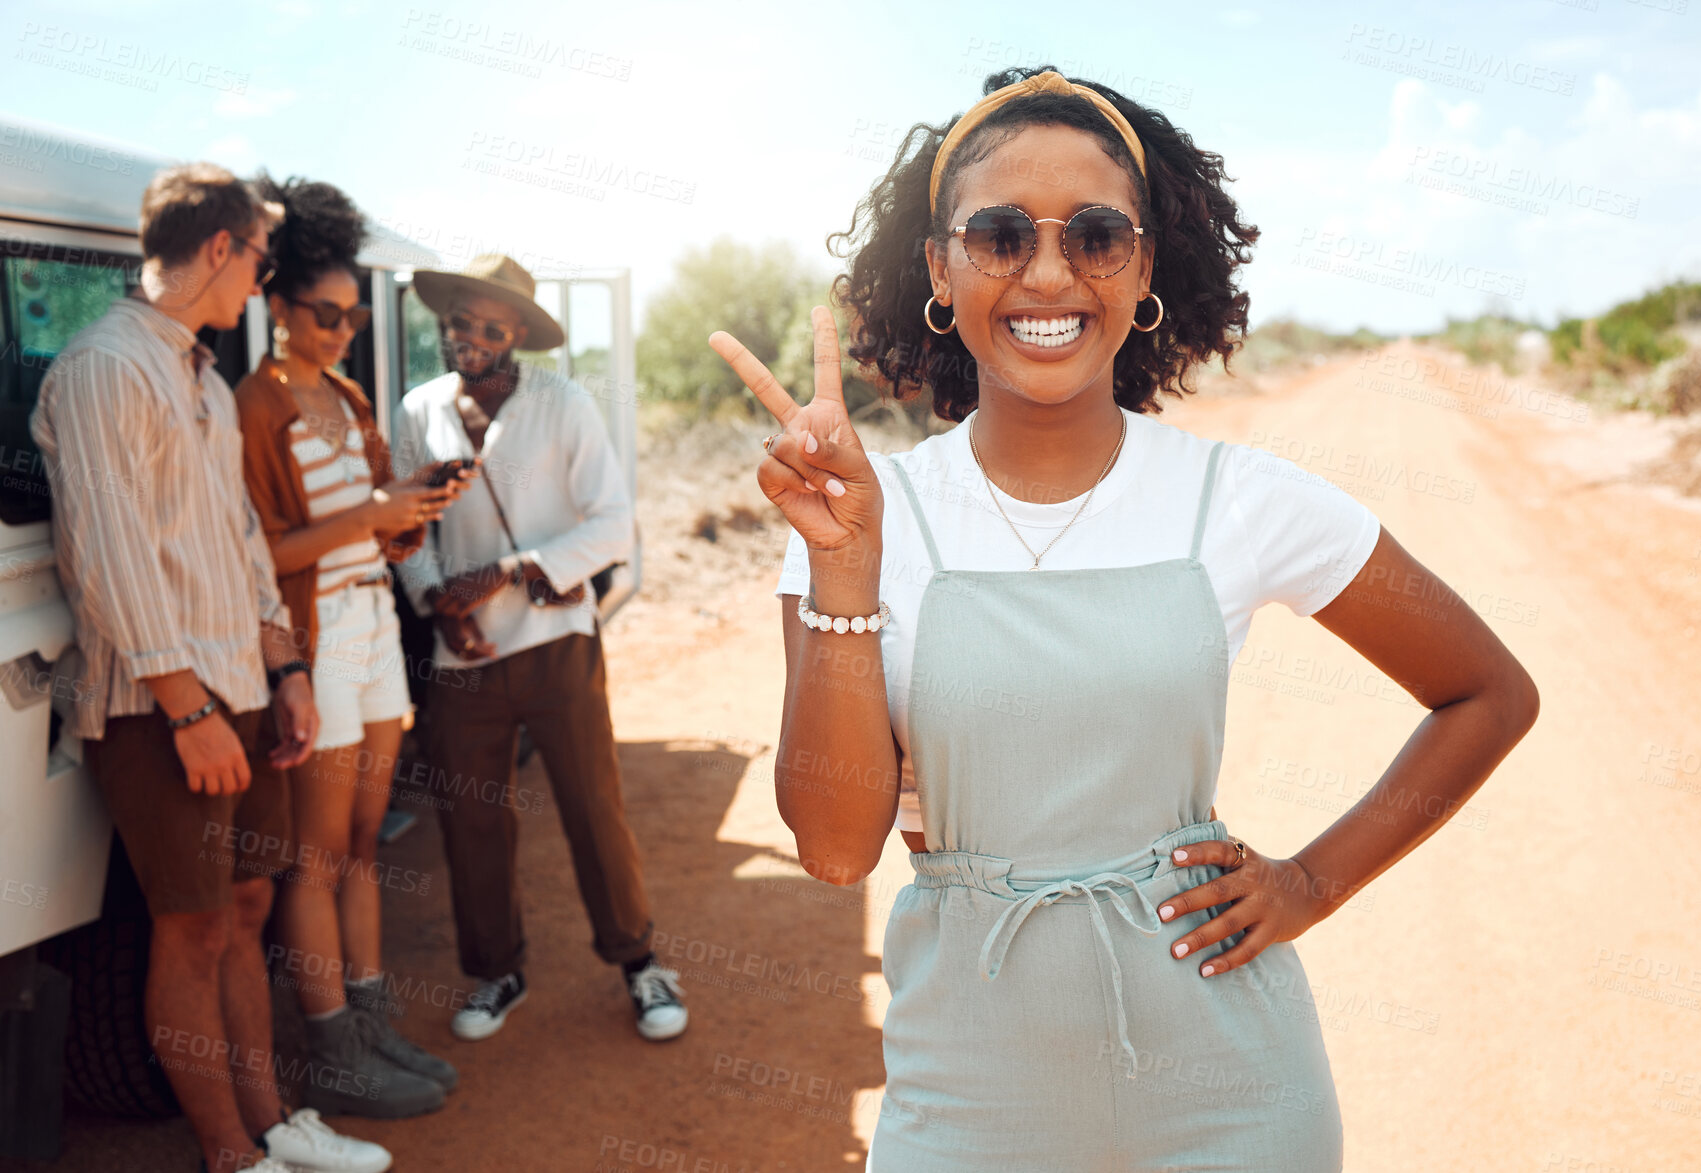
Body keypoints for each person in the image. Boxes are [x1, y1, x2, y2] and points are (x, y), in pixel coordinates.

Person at [711, 68, 1541, 1170]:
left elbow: (1487, 694)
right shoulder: (853, 519)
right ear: (938, 269)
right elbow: (831, 847)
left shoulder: (1241, 498)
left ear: (1143, 265)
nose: (1047, 272)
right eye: (999, 234)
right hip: (964, 1097)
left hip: (1232, 1102)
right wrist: (849, 574)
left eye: (1095, 235)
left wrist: (1308, 885)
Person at [30, 162, 395, 1173]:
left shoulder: (194, 371)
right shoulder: (108, 368)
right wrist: (188, 708)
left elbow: (237, 540)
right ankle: (233, 1154)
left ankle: (276, 1126)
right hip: (160, 705)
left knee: (245, 907)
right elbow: (107, 556)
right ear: (221, 250)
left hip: (237, 689)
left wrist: (284, 669)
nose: (261, 284)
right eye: (259, 260)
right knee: (188, 929)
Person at [390, 253, 688, 1044]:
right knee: (471, 818)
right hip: (465, 654)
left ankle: (639, 961)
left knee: (592, 806)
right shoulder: (417, 410)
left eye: (491, 324)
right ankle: (497, 971)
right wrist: (431, 602)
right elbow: (405, 528)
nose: (472, 336)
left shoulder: (564, 404)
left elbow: (610, 522)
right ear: (445, 323)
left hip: (558, 640)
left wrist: (512, 568)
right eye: (460, 320)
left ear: (516, 332)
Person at [234, 173, 473, 1119]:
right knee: (314, 856)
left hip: (373, 626)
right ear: (278, 304)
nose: (342, 330)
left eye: (351, 316)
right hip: (313, 640)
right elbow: (257, 552)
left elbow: (374, 523)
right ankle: (333, 1048)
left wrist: (410, 512)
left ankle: (369, 1028)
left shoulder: (344, 394)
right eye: (324, 314)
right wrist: (373, 513)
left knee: (363, 841)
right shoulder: (255, 404)